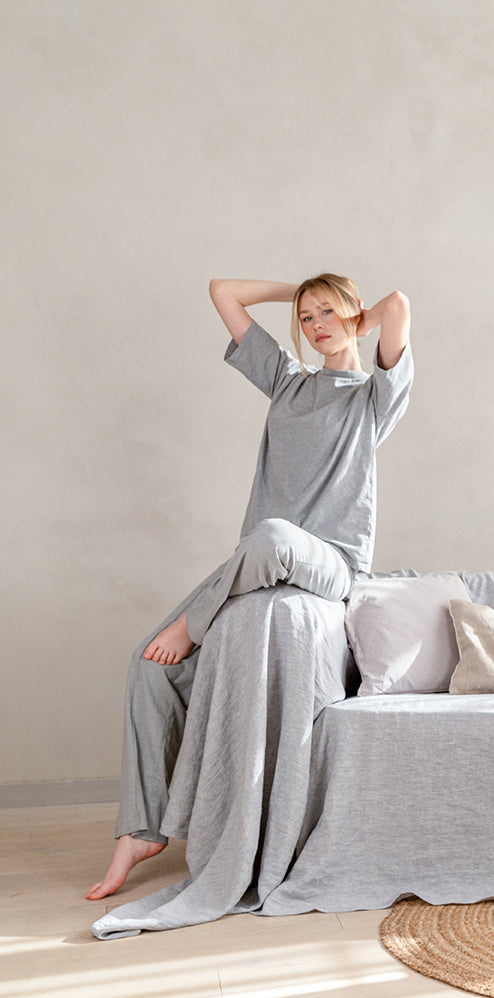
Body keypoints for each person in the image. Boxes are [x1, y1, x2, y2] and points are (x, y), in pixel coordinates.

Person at [87, 275, 412, 900]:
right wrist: (300, 292)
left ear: (351, 314)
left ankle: (194, 625)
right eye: (305, 317)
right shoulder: (287, 382)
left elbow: (398, 304)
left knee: (269, 536)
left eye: (327, 313)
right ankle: (143, 828)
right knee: (147, 668)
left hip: (329, 564)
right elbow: (221, 291)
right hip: (261, 558)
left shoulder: (375, 397)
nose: (315, 324)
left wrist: (347, 313)